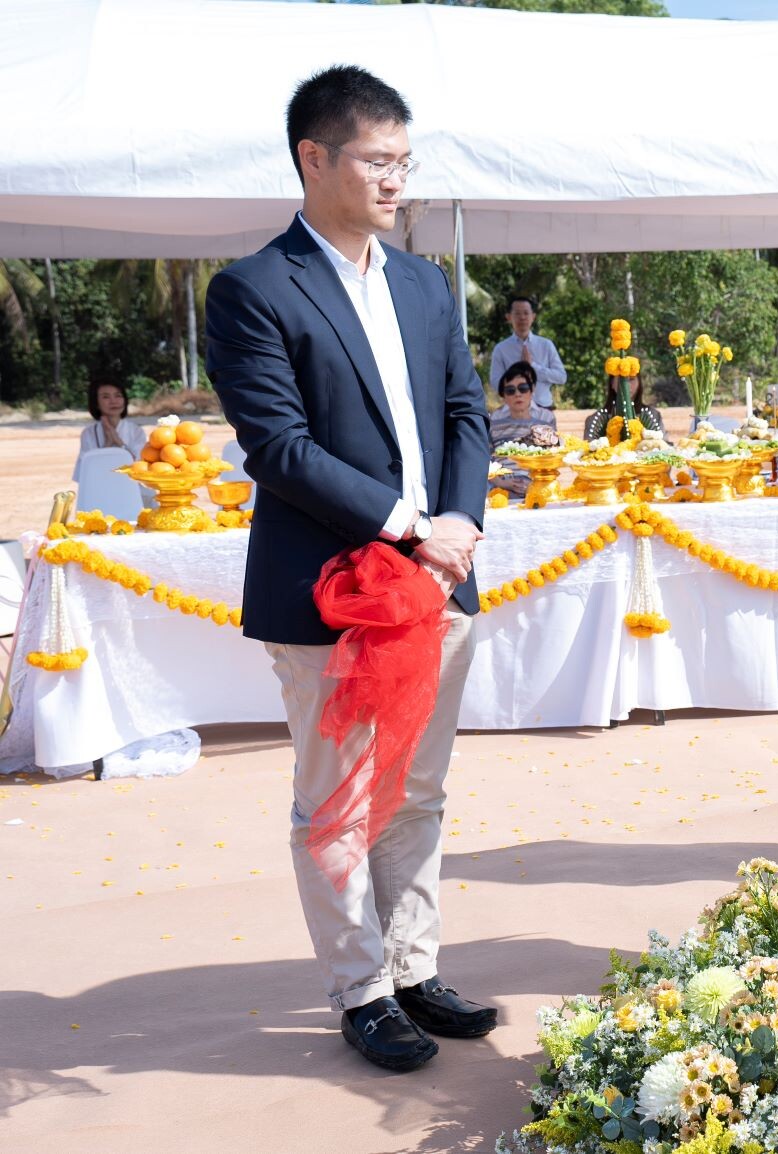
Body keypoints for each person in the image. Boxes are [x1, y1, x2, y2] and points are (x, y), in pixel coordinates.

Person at [204, 65, 494, 1072]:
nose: (396, 181)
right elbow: (278, 447)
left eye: (406, 162)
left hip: (436, 582)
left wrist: (457, 520)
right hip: (331, 595)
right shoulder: (251, 290)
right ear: (313, 158)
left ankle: (414, 967)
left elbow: (466, 410)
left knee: (416, 789)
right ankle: (360, 987)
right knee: (337, 798)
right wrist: (413, 522)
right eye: (378, 159)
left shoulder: (421, 280)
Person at [488, 295, 566, 410]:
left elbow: (561, 377)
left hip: (543, 408)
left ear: (533, 316)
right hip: (513, 411)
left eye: (526, 313)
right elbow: (495, 382)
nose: (522, 317)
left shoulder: (546, 345)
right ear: (509, 317)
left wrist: (533, 367)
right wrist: (516, 377)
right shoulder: (501, 349)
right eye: (517, 314)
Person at [489, 362, 555, 497]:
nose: (517, 394)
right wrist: (501, 483)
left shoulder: (544, 424)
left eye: (523, 388)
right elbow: (484, 460)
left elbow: (551, 458)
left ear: (532, 391)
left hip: (536, 481)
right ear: (504, 396)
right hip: (501, 484)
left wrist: (535, 483)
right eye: (510, 391)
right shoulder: (493, 424)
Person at [76, 381, 148, 464]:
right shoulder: (88, 433)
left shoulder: (136, 431)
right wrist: (107, 444)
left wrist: (118, 441)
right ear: (96, 403)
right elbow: (86, 467)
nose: (113, 401)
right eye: (106, 397)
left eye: (118, 395)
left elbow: (138, 464)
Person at [582, 377, 664, 441]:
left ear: (639, 382)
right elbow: (588, 452)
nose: (627, 385)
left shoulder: (652, 416)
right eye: (621, 380)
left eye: (631, 379)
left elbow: (665, 447)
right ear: (612, 383)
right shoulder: (596, 420)